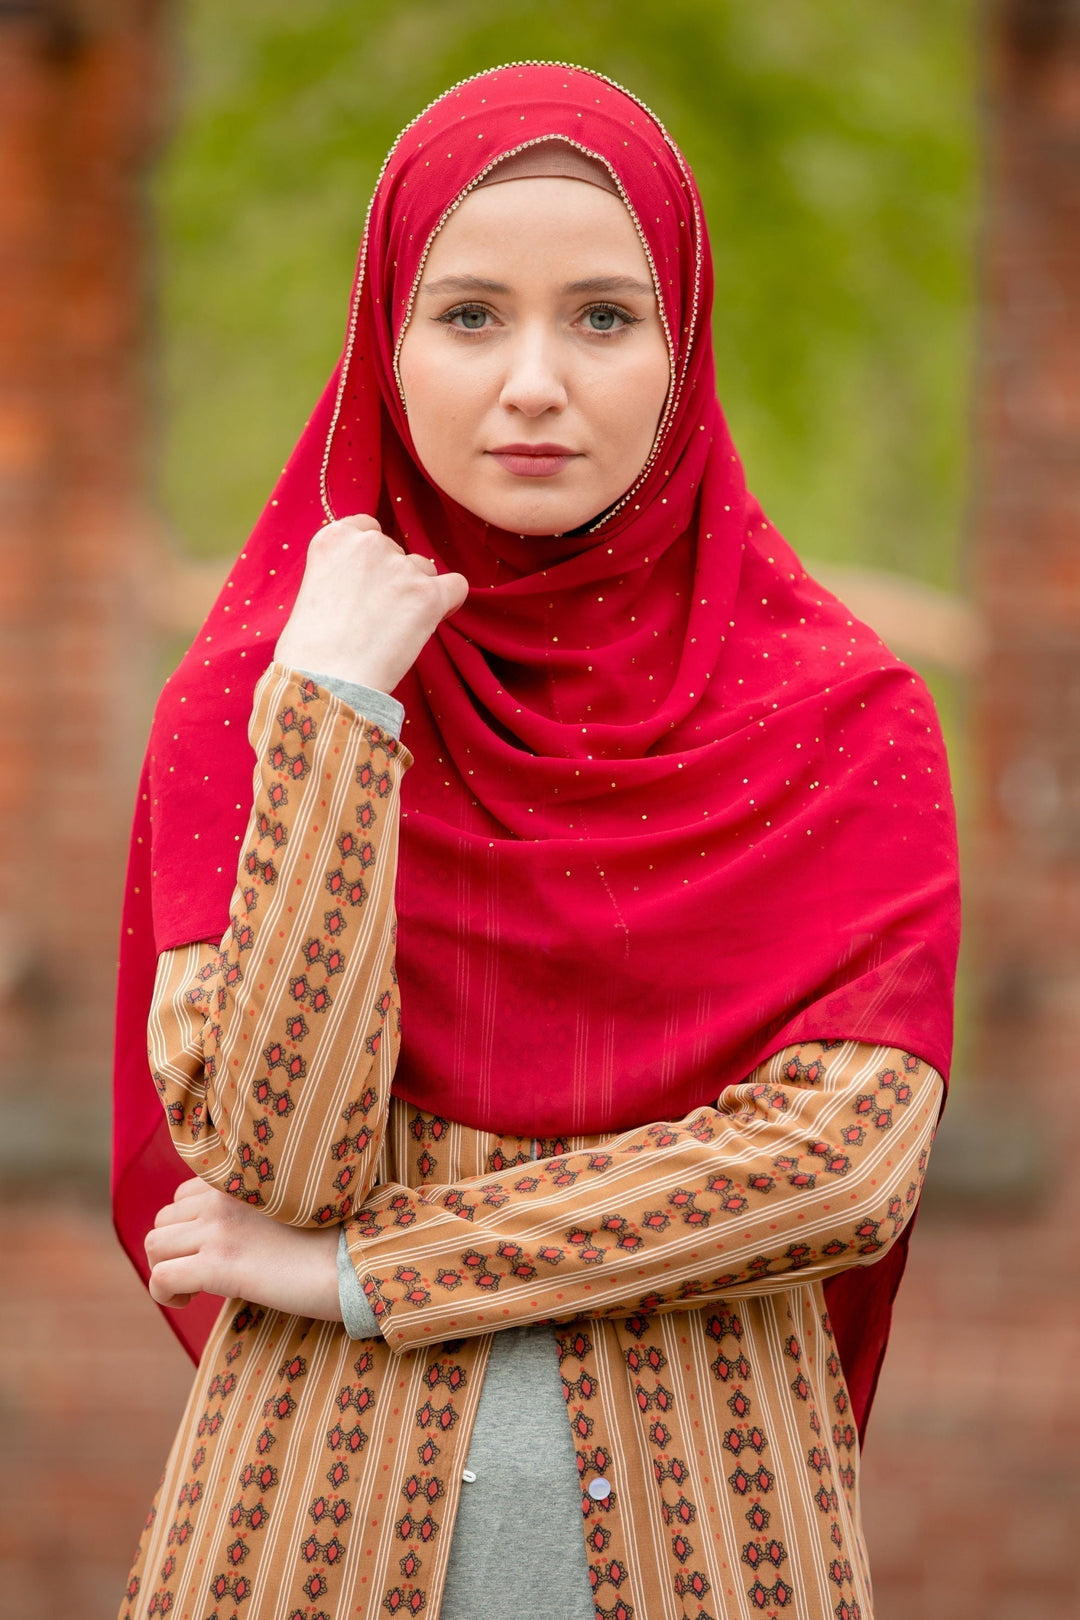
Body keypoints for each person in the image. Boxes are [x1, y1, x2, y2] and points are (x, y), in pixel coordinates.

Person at [113, 61, 959, 1620]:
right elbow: (272, 1159)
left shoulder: (841, 716)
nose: (533, 382)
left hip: (718, 1544)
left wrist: (369, 1274)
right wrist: (336, 718)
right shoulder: (256, 694)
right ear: (387, 345)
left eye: (603, 316)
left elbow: (840, 1168)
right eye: (471, 314)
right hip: (309, 1542)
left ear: (683, 349)